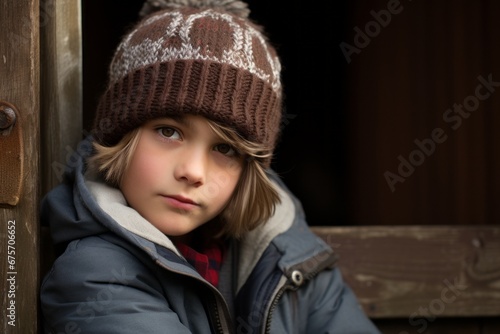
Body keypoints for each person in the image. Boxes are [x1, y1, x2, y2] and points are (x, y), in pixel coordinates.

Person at [40, 0, 381, 333]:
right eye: (169, 132)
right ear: (122, 135)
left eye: (225, 148)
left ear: (249, 168)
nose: (194, 172)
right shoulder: (94, 275)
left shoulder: (289, 255)